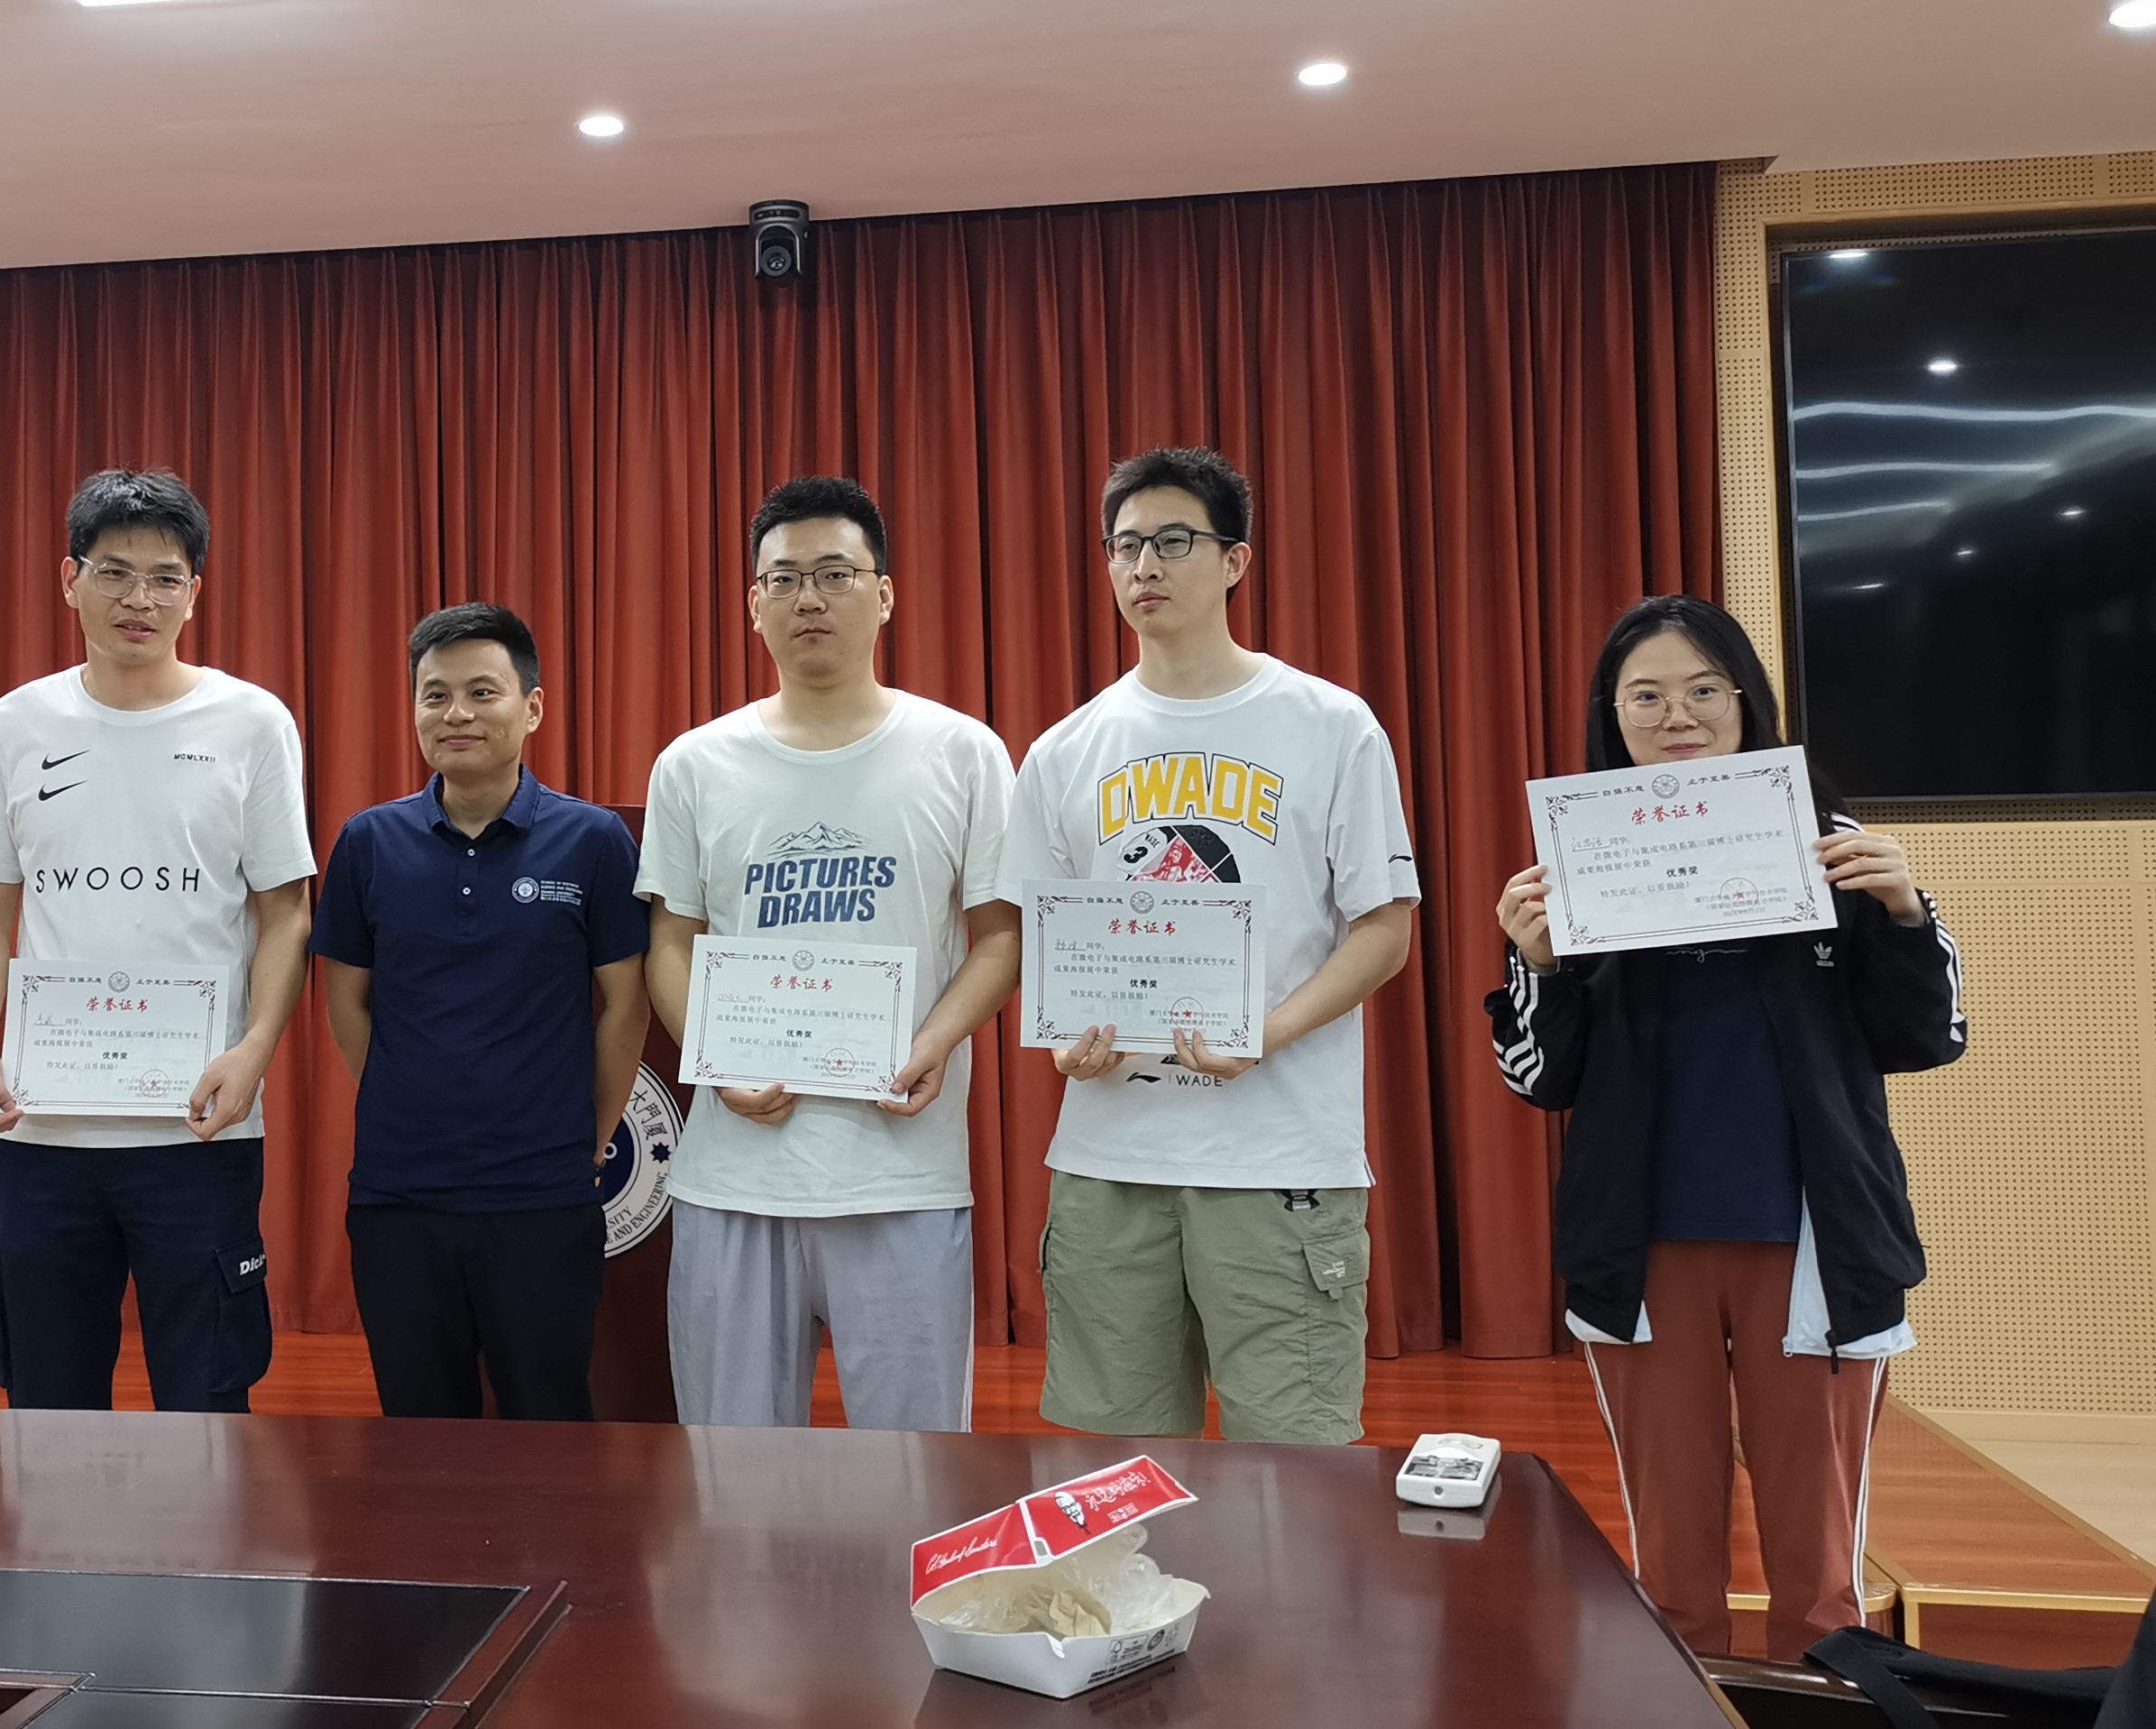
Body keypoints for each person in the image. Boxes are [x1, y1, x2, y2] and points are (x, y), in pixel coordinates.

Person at [1488, 593, 1965, 1660]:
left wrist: (1902, 913)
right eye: (1644, 696)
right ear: (1609, 715)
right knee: (1669, 1558)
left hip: (1810, 1237)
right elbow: (1537, 1078)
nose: (1676, 715)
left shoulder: (1832, 845)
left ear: (1746, 700)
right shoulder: (1578, 861)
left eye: (1703, 688)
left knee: (1818, 1561)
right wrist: (1536, 966)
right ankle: (1684, 1696)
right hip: (1643, 1237)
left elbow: (1929, 1036)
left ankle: (1824, 1698)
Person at [1002, 446, 1418, 1445]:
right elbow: (1043, 942)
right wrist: (1064, 1041)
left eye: (1172, 541)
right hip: (1110, 1161)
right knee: (1117, 1471)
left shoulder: (1330, 725)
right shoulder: (1063, 750)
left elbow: (1384, 930)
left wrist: (1263, 1034)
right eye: (1123, 546)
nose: (1143, 565)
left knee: (1295, 1472)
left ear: (1234, 561)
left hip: (1277, 1158)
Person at [636, 475, 1020, 1432]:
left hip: (900, 1170)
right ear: (753, 603)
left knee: (916, 1468)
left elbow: (1002, 935)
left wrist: (934, 1040)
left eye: (835, 574)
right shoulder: (694, 763)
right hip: (734, 1173)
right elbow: (669, 944)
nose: (808, 597)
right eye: (785, 578)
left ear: (882, 594)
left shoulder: (962, 751)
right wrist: (714, 1061)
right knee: (729, 1469)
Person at [0, 468, 317, 1412]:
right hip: (43, 1127)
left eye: (164, 578)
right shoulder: (15, 724)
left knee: (206, 1397)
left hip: (196, 1123)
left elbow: (286, 911)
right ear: (69, 579)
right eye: (114, 572)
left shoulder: (250, 722)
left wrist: (254, 1050)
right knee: (46, 1398)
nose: (138, 599)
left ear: (196, 592)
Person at [311, 602, 652, 1419]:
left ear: (531, 707)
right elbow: (346, 998)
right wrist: (405, 1095)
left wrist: (592, 1133)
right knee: (418, 1428)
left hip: (543, 1195)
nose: (455, 714)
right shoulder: (368, 842)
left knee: (547, 1421)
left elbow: (625, 1004)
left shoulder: (593, 840)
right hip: (398, 1196)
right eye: (434, 695)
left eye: (481, 692)